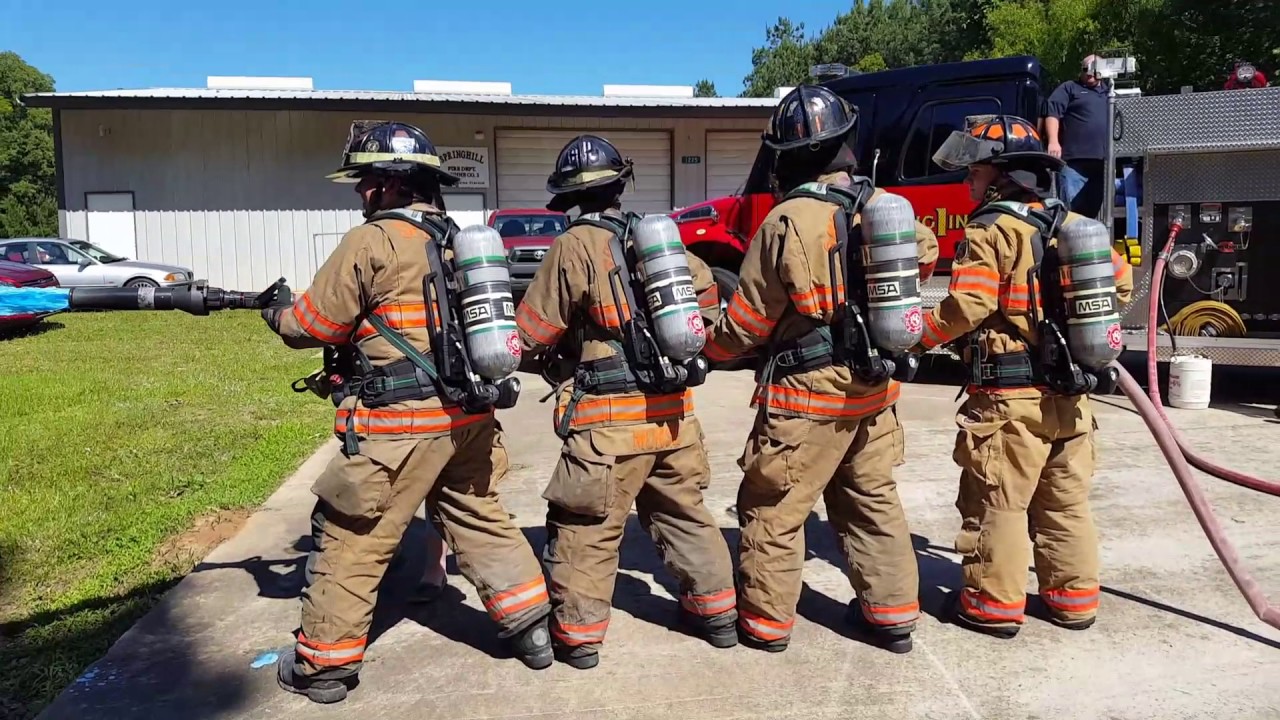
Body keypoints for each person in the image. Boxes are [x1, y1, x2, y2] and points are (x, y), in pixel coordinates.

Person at [263, 120, 554, 704]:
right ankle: (532, 629)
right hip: (469, 418)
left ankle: (324, 665)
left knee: (356, 535)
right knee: (479, 517)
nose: (358, 193)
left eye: (364, 181)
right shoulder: (456, 239)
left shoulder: (370, 241)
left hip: (399, 425)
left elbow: (312, 326)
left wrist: (276, 309)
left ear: (387, 185)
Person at [703, 85, 939, 655]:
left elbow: (748, 324)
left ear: (789, 155)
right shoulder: (881, 206)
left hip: (806, 399)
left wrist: (706, 349)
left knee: (773, 508)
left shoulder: (785, 221)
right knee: (872, 503)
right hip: (874, 391)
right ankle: (894, 618)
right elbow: (926, 253)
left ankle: (765, 624)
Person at [515, 133, 738, 670]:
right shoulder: (657, 240)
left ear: (567, 198)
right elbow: (706, 294)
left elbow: (533, 333)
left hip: (608, 425)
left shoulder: (572, 246)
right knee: (684, 514)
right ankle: (720, 616)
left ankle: (578, 636)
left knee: (586, 530)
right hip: (674, 417)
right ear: (620, 187)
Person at [911, 114, 1134, 639]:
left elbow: (969, 304)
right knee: (1065, 504)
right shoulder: (1073, 225)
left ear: (1001, 174)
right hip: (1071, 398)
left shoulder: (989, 229)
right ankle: (1073, 600)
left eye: (975, 172)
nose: (968, 182)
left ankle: (992, 606)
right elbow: (1121, 288)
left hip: (1009, 403)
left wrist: (916, 335)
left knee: (999, 505)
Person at [1042, 55, 1109, 220]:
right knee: (1070, 214)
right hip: (1074, 164)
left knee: (1092, 214)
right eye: (1086, 69)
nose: (1090, 73)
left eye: (1094, 68)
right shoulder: (1070, 88)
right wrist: (1053, 141)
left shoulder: (1110, 92)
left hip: (1103, 165)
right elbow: (1052, 113)